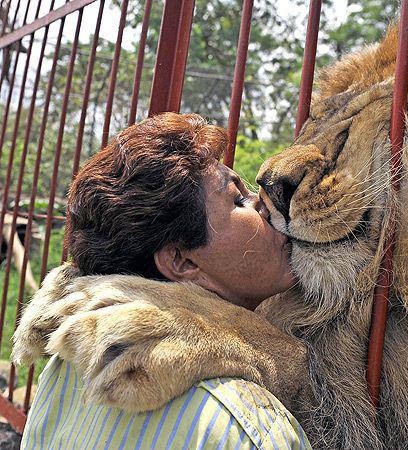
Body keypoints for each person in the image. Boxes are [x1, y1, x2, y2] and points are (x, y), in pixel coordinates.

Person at [15, 113, 311, 449]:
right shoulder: (245, 425)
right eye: (238, 199)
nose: (264, 204)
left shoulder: (67, 368)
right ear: (182, 261)